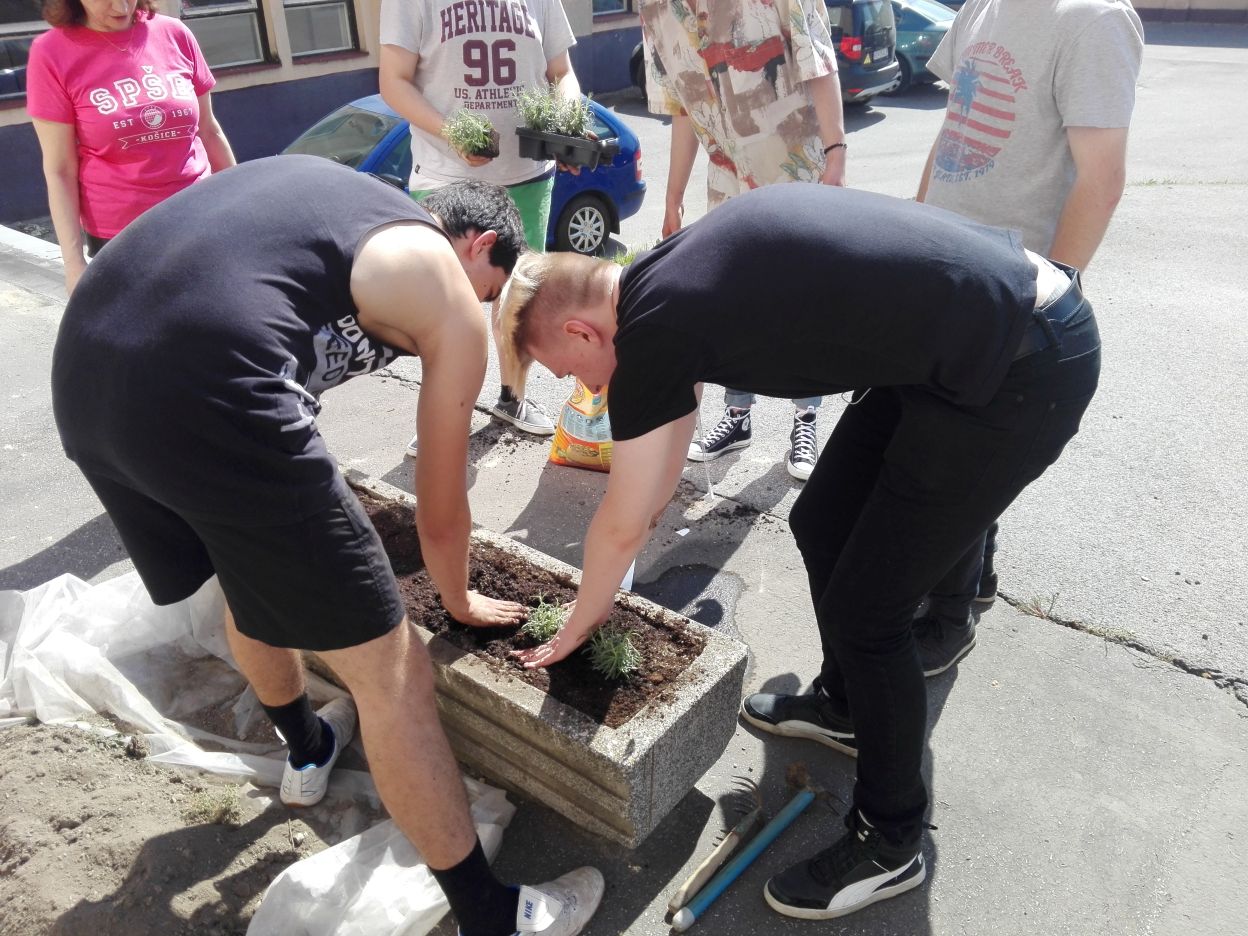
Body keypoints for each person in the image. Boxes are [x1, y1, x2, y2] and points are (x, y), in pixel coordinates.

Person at [496, 183, 1100, 920]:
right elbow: (660, 461)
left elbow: (621, 523)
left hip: (1022, 364)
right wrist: (633, 534)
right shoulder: (656, 285)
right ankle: (846, 708)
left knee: (869, 613)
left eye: (563, 368)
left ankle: (890, 840)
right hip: (959, 344)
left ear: (583, 331)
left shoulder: (654, 328)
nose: (577, 387)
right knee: (821, 520)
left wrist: (579, 624)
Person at [50, 155, 603, 936]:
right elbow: (441, 509)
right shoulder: (439, 280)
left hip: (86, 380)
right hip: (205, 388)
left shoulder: (338, 211)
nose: (480, 313)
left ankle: (307, 751)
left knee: (243, 568)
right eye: (489, 295)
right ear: (477, 246)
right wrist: (458, 601)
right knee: (393, 672)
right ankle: (493, 916)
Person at [912, 0, 1143, 675]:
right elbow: (953, 127)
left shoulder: (1095, 18)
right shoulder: (983, 5)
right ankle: (976, 578)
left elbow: (1102, 178)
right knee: (951, 439)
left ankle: (947, 619)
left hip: (1012, 286)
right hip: (944, 269)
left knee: (951, 457)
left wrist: (1048, 299)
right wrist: (915, 231)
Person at [639, 0, 848, 481]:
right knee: (731, 302)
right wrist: (672, 197)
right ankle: (737, 416)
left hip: (796, 170)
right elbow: (684, 106)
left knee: (800, 304)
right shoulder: (656, 12)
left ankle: (805, 419)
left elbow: (818, 60)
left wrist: (836, 154)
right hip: (726, 184)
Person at [379, 0, 584, 446]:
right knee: (443, 303)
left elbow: (561, 72)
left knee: (517, 296)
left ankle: (513, 397)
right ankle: (441, 414)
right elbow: (393, 81)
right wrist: (451, 131)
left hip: (527, 175)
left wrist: (566, 126)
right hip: (446, 180)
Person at [26, 0, 236, 296]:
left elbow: (209, 131)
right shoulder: (51, 52)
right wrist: (73, 264)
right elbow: (60, 170)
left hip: (201, 218)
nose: (121, 7)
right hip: (123, 238)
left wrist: (241, 208)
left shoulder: (174, 33)